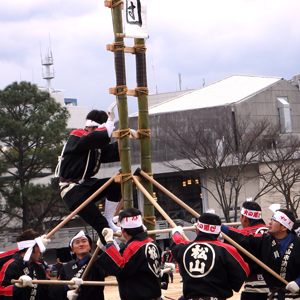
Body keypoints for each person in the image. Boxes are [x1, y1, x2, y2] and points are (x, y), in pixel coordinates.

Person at [56, 102, 122, 244]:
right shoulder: (77, 136)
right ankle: (115, 255)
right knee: (101, 227)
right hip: (72, 191)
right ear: (92, 127)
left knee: (117, 183)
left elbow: (111, 151)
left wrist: (126, 138)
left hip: (86, 185)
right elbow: (93, 139)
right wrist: (109, 122)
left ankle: (109, 218)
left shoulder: (93, 146)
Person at [222, 206, 300, 299]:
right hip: (275, 296)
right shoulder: (265, 241)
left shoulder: (298, 244)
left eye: (274, 220)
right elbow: (243, 239)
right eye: (270, 219)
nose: (269, 222)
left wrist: (298, 282)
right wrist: (218, 226)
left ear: (284, 227)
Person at [171, 213, 250, 300]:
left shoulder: (185, 248)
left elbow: (177, 245)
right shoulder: (227, 250)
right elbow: (242, 273)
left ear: (197, 230)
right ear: (219, 232)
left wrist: (176, 233)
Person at [96, 207, 162, 300]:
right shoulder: (151, 242)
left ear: (123, 230)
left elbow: (120, 266)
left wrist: (109, 243)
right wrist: (126, 243)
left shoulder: (134, 246)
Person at [49, 230, 106, 300]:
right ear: (72, 249)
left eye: (84, 241)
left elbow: (112, 269)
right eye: (77, 242)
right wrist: (67, 287)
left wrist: (107, 249)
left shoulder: (97, 261)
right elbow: (56, 289)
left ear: (90, 246)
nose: (81, 244)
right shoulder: (66, 267)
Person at [230, 201, 269, 300]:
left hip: (253, 289)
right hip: (276, 288)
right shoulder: (274, 232)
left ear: (245, 218)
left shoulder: (241, 235)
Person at [0, 229, 50, 300]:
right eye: (38, 247)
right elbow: (1, 292)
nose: (40, 251)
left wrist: (67, 287)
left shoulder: (38, 267)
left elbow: (47, 289)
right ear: (28, 249)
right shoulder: (11, 266)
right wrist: (17, 287)